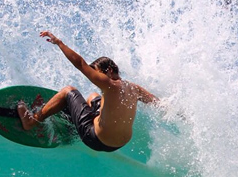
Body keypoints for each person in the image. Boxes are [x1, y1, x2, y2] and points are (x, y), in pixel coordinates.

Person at [17, 31, 159, 152]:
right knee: (93, 96)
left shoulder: (108, 84)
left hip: (95, 139)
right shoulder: (135, 88)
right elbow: (157, 102)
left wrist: (59, 43)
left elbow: (80, 63)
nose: (97, 79)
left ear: (108, 71)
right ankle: (74, 125)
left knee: (68, 90)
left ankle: (32, 121)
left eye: (97, 74)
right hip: (118, 145)